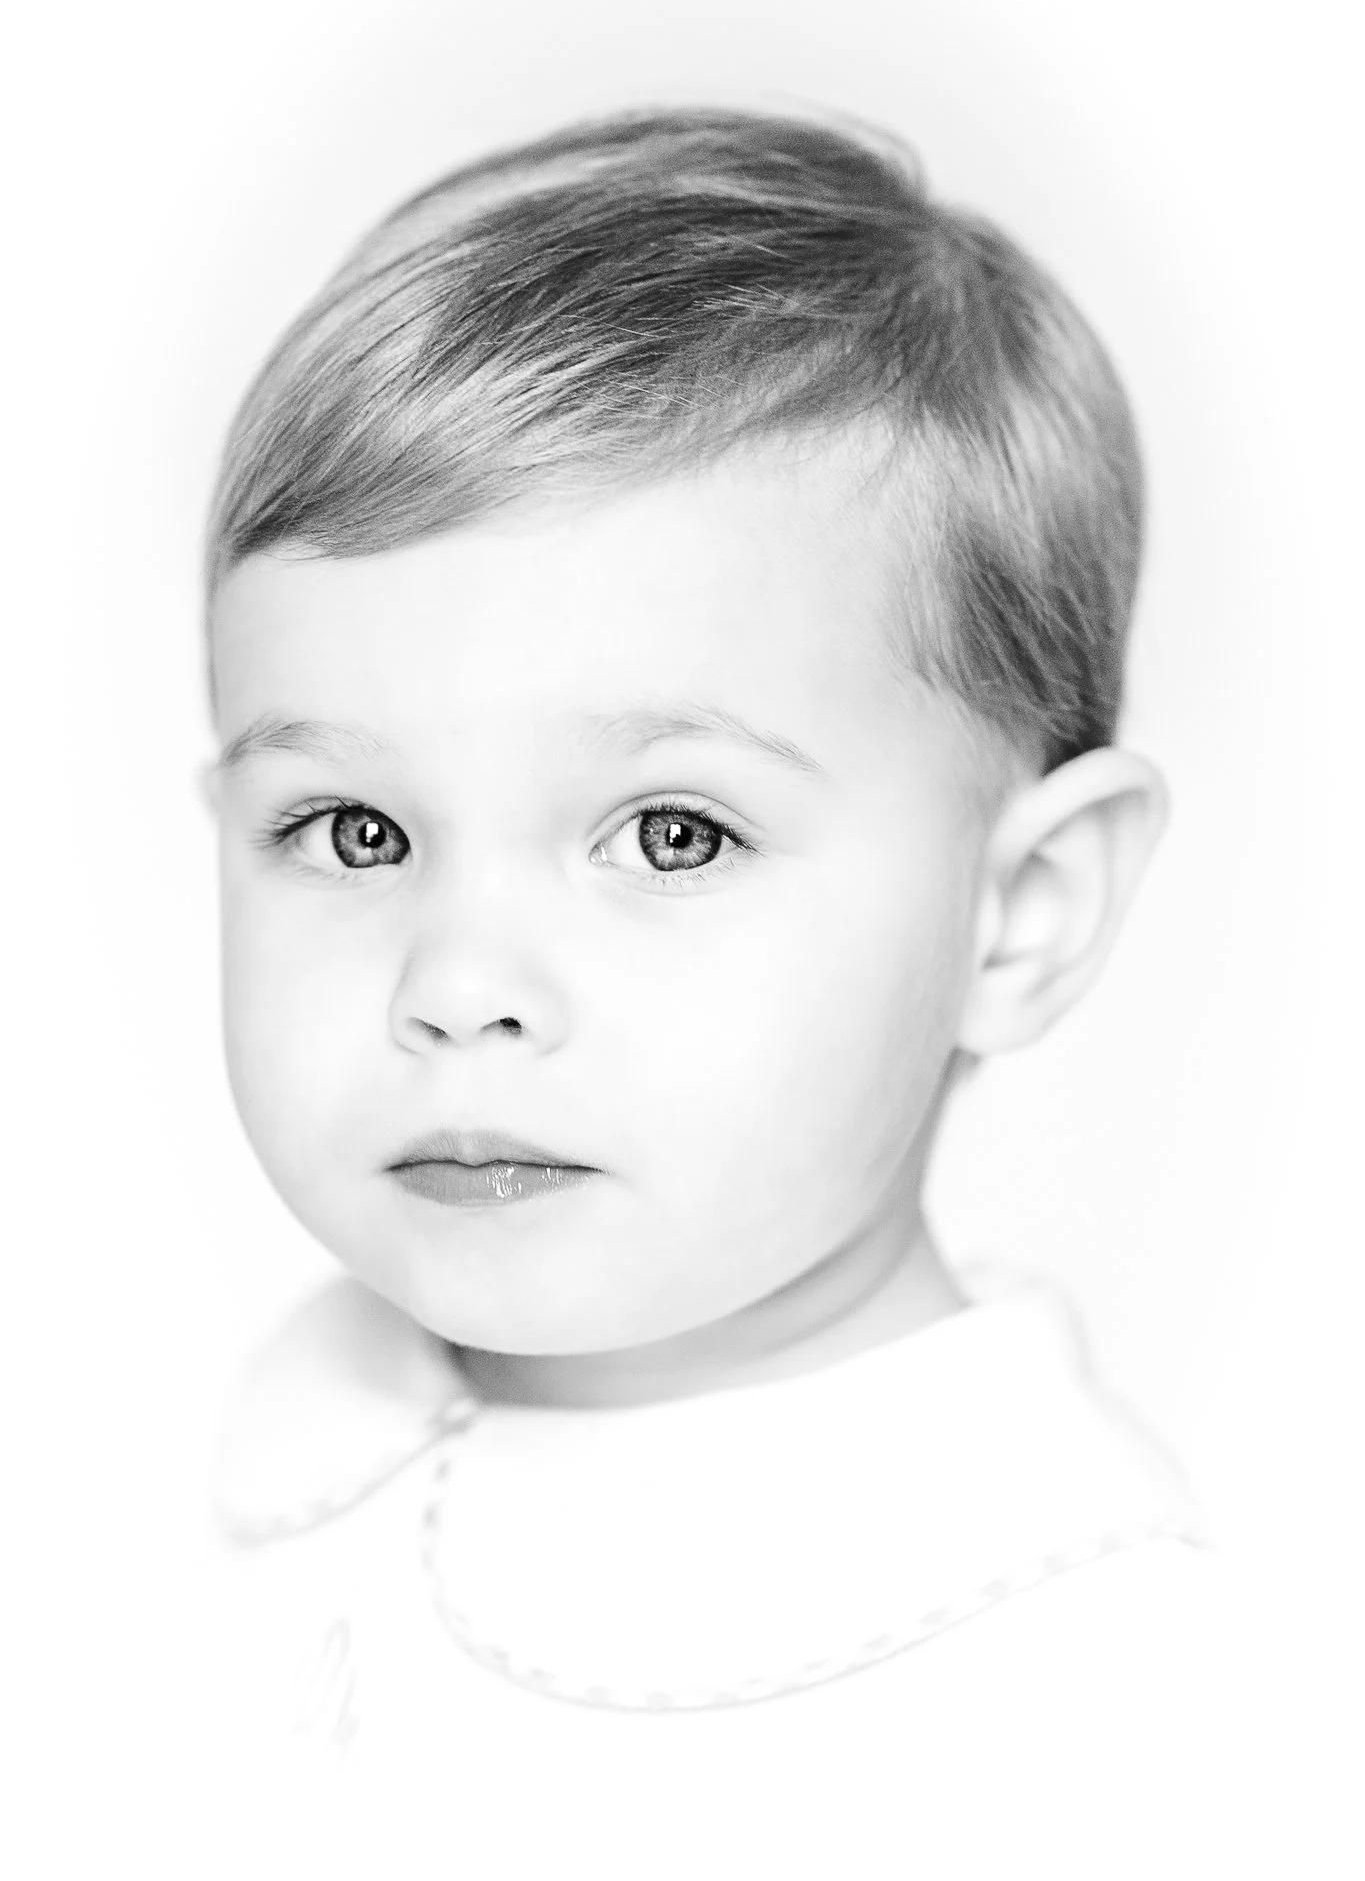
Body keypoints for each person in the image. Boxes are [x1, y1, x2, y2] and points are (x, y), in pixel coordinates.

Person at [197, 109, 1304, 1874]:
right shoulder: (285, 1418)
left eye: (675, 835)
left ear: (1014, 913)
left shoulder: (1107, 1705)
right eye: (349, 826)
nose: (458, 985)